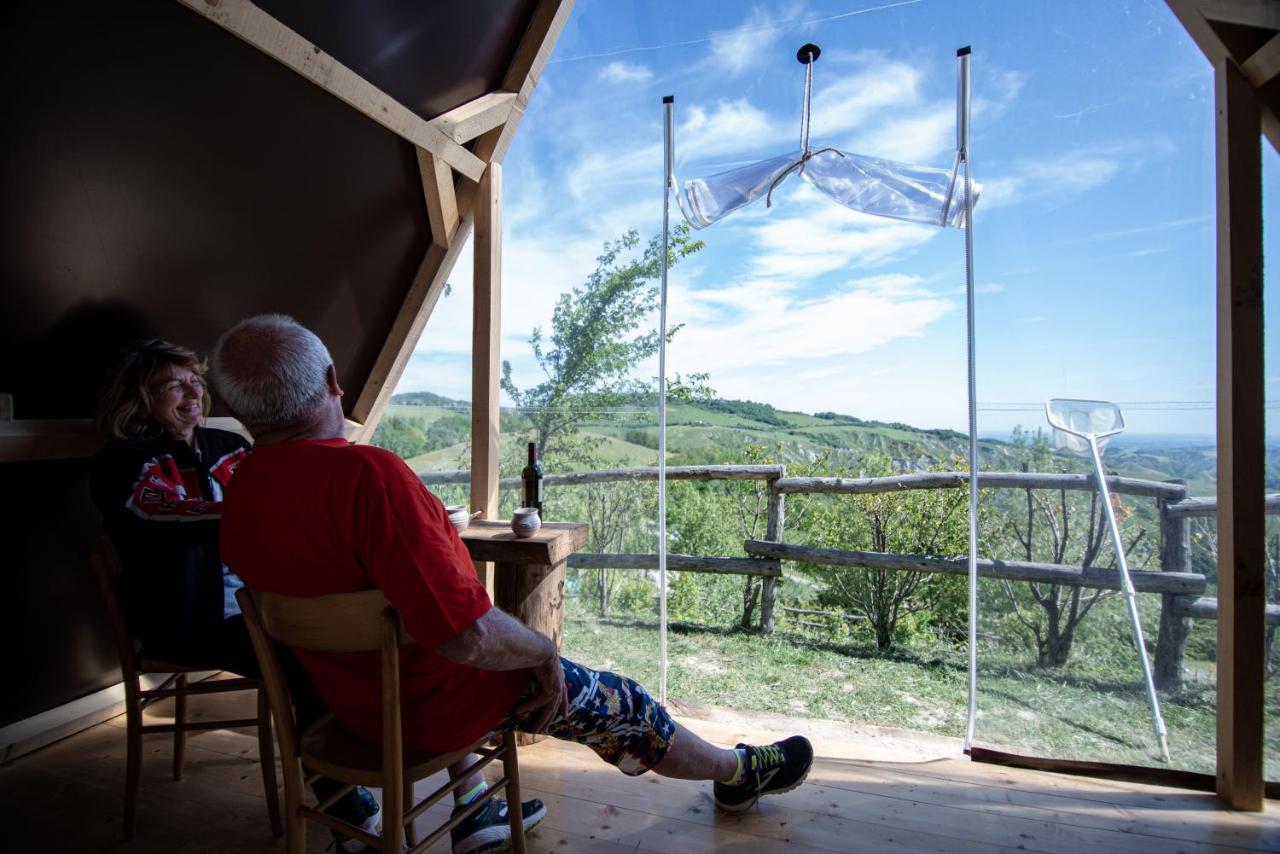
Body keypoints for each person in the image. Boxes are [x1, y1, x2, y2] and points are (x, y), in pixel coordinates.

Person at [210, 315, 814, 852]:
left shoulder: (239, 493)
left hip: (352, 709)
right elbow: (466, 637)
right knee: (618, 700)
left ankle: (477, 816)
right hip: (434, 712)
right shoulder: (369, 476)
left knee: (445, 651)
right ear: (334, 381)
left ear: (239, 411)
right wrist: (543, 650)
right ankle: (737, 774)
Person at [89, 339, 382, 852]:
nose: (192, 393)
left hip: (256, 605)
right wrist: (262, 514)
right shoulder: (123, 461)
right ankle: (342, 805)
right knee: (305, 653)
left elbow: (282, 492)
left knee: (343, 631)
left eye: (195, 381)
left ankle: (352, 770)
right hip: (188, 618)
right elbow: (166, 521)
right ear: (139, 398)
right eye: (173, 385)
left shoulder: (227, 447)